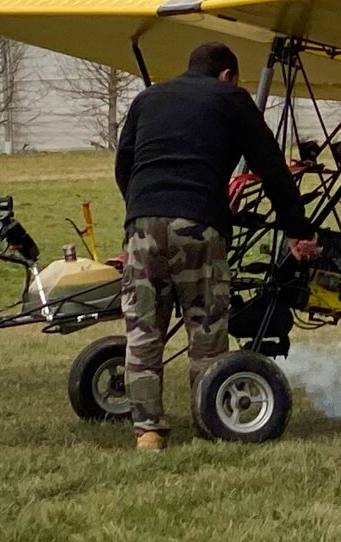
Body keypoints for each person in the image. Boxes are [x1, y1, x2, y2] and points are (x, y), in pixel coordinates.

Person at [113, 41, 319, 452]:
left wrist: (142, 209)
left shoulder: (147, 99)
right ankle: (209, 420)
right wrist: (298, 230)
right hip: (200, 224)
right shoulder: (231, 98)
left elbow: (124, 166)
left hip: (142, 223)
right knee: (206, 329)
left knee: (144, 331)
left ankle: (148, 431)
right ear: (227, 74)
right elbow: (272, 168)